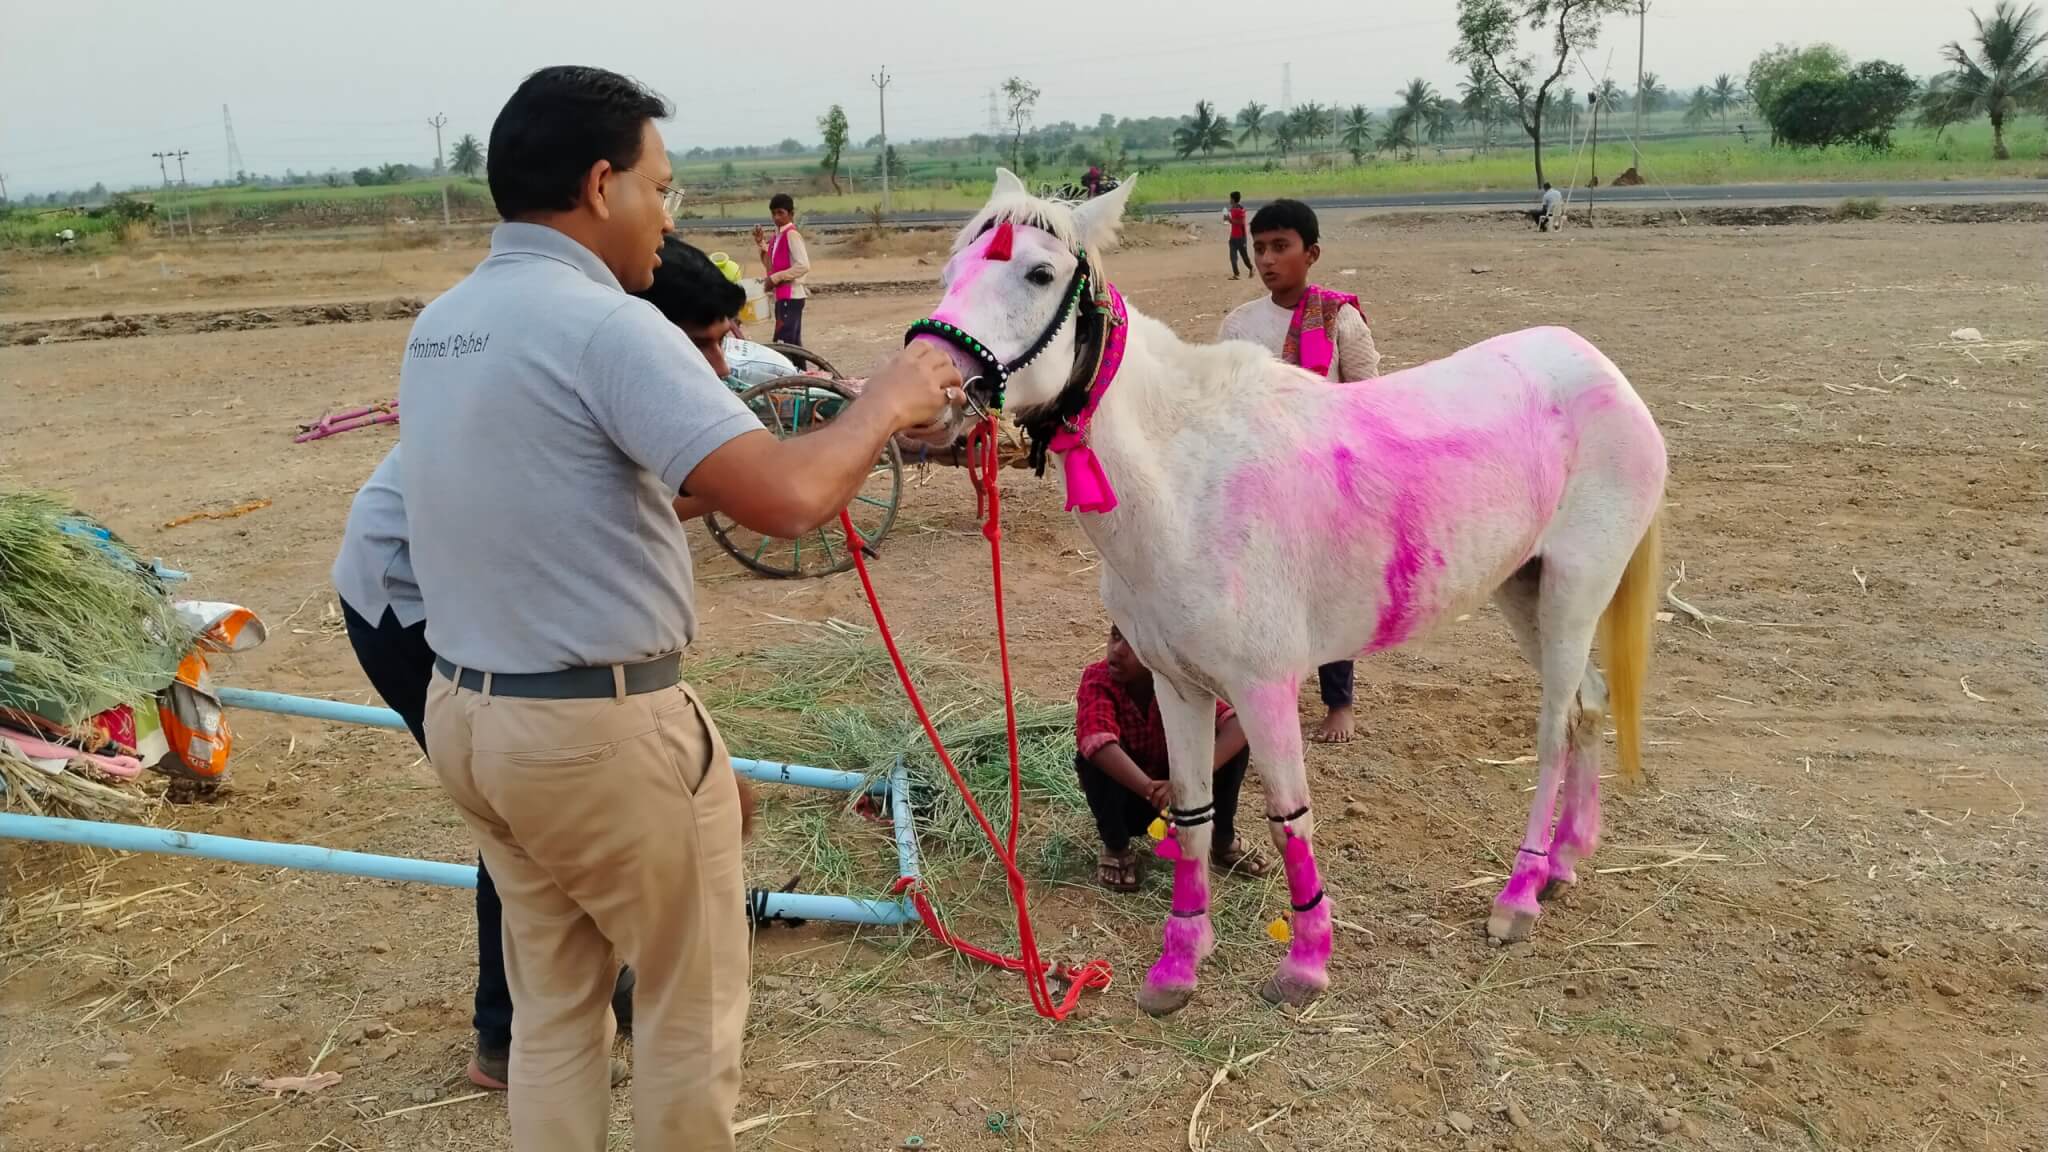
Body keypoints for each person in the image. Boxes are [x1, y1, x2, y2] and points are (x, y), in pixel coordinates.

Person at [396, 65, 960, 1152]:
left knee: (558, 1009)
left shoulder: (447, 324)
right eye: (664, 188)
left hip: (472, 717)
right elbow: (789, 500)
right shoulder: (608, 327)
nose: (670, 216)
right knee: (686, 1015)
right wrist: (886, 401)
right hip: (596, 733)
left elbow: (602, 490)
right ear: (602, 184)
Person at [332, 447, 639, 1092]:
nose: (722, 364)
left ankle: (598, 982)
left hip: (462, 581)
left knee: (550, 790)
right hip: (412, 600)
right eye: (710, 340)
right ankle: (507, 1032)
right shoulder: (594, 366)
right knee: (524, 803)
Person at [1217, 198, 1380, 745]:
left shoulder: (1339, 318)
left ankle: (1339, 703)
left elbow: (1365, 401)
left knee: (1330, 593)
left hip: (1326, 484)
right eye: (1259, 248)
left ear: (1311, 254)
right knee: (1257, 594)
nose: (1266, 259)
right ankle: (1264, 693)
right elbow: (1223, 405)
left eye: (1279, 247)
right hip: (1259, 484)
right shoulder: (1239, 324)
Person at [1076, 625, 1268, 892]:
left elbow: (1239, 725)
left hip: (1188, 801)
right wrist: (1150, 789)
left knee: (1231, 744)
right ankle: (1117, 846)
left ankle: (1220, 840)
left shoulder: (1182, 680)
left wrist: (1188, 780)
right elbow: (1095, 739)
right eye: (1116, 636)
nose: (1117, 650)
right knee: (1093, 756)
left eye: (1133, 643)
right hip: (1133, 801)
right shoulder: (1098, 679)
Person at [752, 192, 810, 346]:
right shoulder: (777, 236)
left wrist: (776, 278)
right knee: (791, 343)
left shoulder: (791, 234)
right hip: (782, 297)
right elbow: (770, 266)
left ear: (791, 214)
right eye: (773, 213)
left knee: (786, 342)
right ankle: (798, 370)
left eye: (780, 213)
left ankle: (794, 370)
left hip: (792, 296)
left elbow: (803, 265)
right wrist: (760, 243)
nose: (776, 217)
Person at [1224, 191, 1252, 280]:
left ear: (1233, 199)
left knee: (1244, 256)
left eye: (1230, 198)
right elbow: (1232, 221)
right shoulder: (1233, 208)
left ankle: (1251, 268)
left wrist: (1229, 219)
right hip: (1233, 236)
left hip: (1241, 237)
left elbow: (1240, 223)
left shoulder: (1240, 210)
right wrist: (1227, 219)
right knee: (1233, 257)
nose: (1229, 200)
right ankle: (1236, 274)